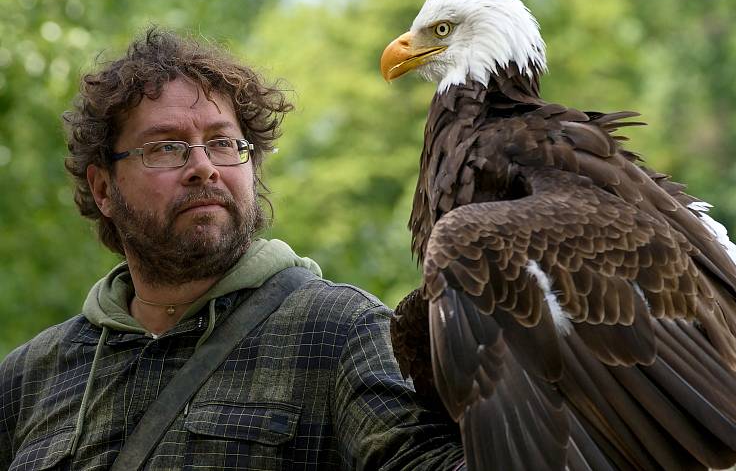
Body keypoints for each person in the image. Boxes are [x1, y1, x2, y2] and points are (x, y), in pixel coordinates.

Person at [0, 28, 464, 470]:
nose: (203, 167)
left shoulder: (338, 332)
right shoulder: (28, 378)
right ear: (103, 188)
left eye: (223, 143)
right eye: (166, 148)